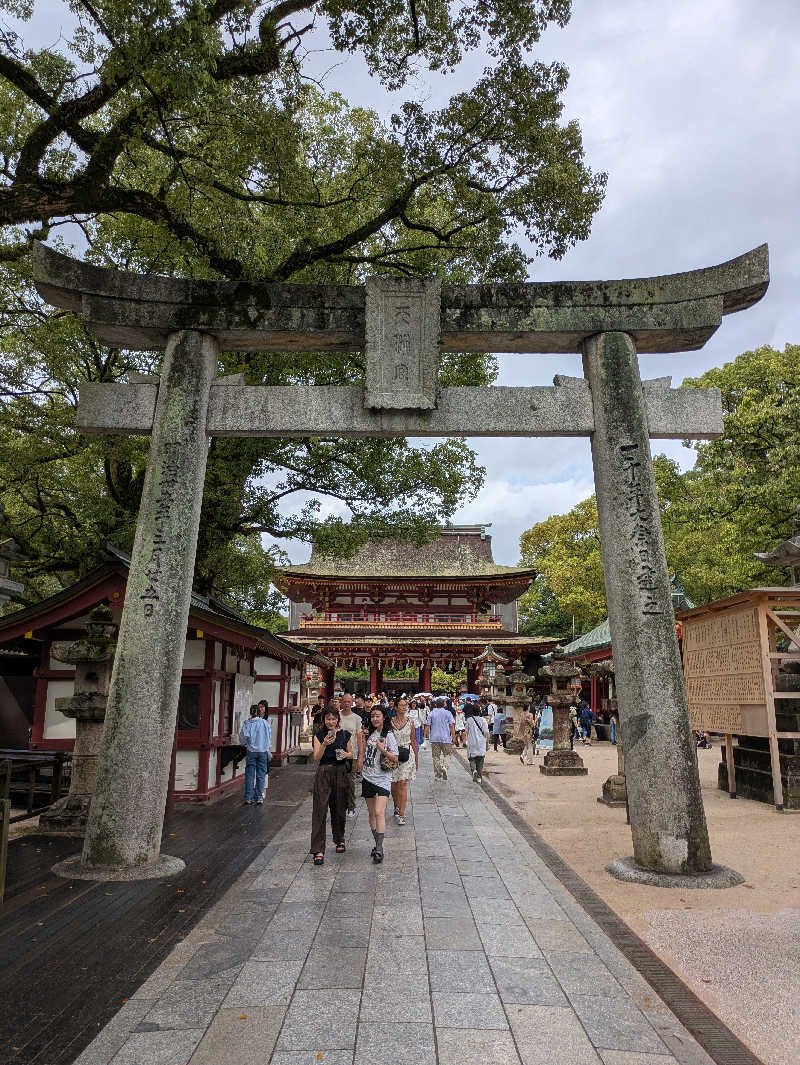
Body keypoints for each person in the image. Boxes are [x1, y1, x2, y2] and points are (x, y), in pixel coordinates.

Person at [310, 706, 352, 865]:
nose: (331, 721)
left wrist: (346, 754)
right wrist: (324, 744)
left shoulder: (345, 734)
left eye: (334, 718)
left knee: (339, 808)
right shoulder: (319, 736)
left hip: (340, 771)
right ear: (324, 720)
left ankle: (339, 838)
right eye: (328, 719)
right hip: (324, 772)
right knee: (320, 810)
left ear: (337, 720)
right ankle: (318, 849)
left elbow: (351, 753)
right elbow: (316, 757)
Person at [359, 704, 398, 863]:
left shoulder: (388, 735)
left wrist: (383, 750)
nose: (375, 718)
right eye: (373, 716)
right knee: (371, 814)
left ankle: (380, 849)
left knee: (378, 812)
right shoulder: (369, 733)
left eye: (378, 716)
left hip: (382, 778)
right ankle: (377, 844)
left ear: (384, 717)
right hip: (368, 776)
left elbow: (395, 757)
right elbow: (363, 752)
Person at [390, 696, 418, 825]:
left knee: (402, 783)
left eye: (405, 705)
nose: (404, 707)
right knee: (394, 784)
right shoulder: (390, 722)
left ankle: (402, 813)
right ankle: (396, 806)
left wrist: (416, 758)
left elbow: (413, 740)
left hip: (407, 753)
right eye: (401, 705)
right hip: (393, 755)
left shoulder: (411, 721)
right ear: (395, 707)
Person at [239, 703, 271, 805]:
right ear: (258, 712)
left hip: (251, 751)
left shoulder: (247, 723)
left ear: (251, 713)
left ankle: (248, 797)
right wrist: (267, 748)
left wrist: (245, 744)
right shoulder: (264, 723)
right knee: (261, 775)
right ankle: (259, 797)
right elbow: (268, 736)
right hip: (262, 751)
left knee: (250, 775)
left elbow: (243, 737)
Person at [338, 696, 364, 818]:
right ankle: (340, 805)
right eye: (345, 701)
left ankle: (351, 806)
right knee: (338, 781)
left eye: (349, 701)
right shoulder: (336, 716)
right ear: (341, 702)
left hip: (351, 754)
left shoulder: (356, 718)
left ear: (352, 703)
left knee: (350, 781)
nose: (347, 703)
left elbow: (359, 738)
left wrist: (360, 756)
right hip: (337, 752)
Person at [425, 695, 455, 779]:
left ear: (435, 704)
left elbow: (427, 725)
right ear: (444, 704)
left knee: (435, 756)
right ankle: (445, 766)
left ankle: (438, 773)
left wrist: (424, 736)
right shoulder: (448, 713)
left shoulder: (432, 713)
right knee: (447, 754)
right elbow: (451, 726)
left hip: (434, 737)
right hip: (446, 737)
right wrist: (454, 736)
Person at [465, 701, 488, 783]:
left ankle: (474, 770)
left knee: (472, 758)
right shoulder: (483, 720)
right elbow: (486, 732)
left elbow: (466, 731)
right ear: (480, 711)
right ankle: (479, 777)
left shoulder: (469, 720)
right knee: (480, 760)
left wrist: (465, 741)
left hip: (472, 741)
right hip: (481, 742)